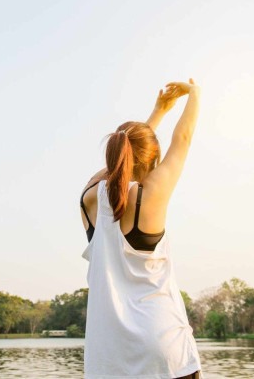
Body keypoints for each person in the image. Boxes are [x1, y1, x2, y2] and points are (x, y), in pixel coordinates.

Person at [80, 79, 203, 379]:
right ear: (152, 161)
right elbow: (183, 139)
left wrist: (156, 113)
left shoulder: (89, 197)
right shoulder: (150, 197)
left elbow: (120, 163)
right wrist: (194, 94)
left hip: (107, 361)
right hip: (163, 350)